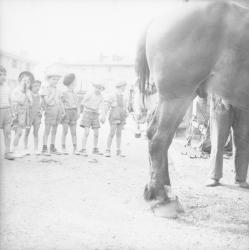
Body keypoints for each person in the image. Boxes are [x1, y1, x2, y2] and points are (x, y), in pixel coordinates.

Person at [206, 94, 249, 189]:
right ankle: (214, 176)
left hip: (244, 99)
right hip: (221, 97)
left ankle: (241, 178)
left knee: (243, 142)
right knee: (217, 140)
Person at [101, 81, 128, 157]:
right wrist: (104, 114)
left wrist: (126, 112)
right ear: (120, 86)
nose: (125, 88)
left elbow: (124, 106)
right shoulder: (113, 95)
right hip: (114, 114)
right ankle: (107, 150)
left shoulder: (124, 96)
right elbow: (107, 104)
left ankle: (118, 150)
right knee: (112, 132)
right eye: (124, 86)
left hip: (121, 115)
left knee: (119, 133)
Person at [11, 71, 34, 157]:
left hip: (25, 114)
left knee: (21, 132)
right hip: (18, 114)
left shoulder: (28, 91)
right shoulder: (16, 90)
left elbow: (31, 103)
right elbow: (19, 101)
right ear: (20, 81)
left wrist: (28, 97)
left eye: (28, 82)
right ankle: (14, 150)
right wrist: (24, 94)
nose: (26, 83)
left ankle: (16, 149)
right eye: (24, 81)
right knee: (18, 132)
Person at [40, 70, 63, 155]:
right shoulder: (46, 89)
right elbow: (47, 102)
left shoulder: (58, 90)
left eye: (57, 80)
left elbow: (60, 101)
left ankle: (52, 147)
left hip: (57, 111)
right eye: (53, 79)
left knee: (55, 130)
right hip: (50, 111)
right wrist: (53, 94)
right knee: (47, 130)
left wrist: (62, 110)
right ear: (48, 80)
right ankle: (44, 147)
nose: (55, 81)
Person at [79, 83, 105, 156]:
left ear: (102, 89)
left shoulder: (101, 97)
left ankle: (95, 148)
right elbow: (83, 103)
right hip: (87, 113)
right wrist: (90, 107)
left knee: (96, 133)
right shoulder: (90, 94)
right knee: (86, 132)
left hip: (95, 115)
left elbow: (102, 106)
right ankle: (83, 148)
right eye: (97, 87)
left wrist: (103, 115)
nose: (98, 89)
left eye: (100, 88)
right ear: (94, 87)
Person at [61, 73, 80, 155]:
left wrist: (78, 112)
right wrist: (63, 112)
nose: (76, 83)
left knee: (74, 132)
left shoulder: (75, 94)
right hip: (66, 112)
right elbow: (61, 103)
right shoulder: (64, 93)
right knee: (65, 131)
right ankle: (63, 147)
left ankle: (75, 148)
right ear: (71, 82)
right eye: (75, 82)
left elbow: (78, 104)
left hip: (73, 112)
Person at [0, 66, 15, 160]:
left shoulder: (7, 87)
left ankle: (7, 152)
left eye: (4, 74)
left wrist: (12, 112)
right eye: (0, 75)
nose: (3, 77)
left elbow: (10, 100)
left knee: (8, 133)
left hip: (7, 111)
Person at [23, 80, 42, 154]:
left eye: (38, 86)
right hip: (29, 116)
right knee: (27, 132)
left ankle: (36, 148)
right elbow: (25, 106)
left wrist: (41, 110)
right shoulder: (28, 96)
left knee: (36, 133)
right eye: (35, 86)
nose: (37, 88)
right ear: (31, 87)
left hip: (37, 116)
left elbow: (42, 106)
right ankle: (25, 148)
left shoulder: (40, 97)